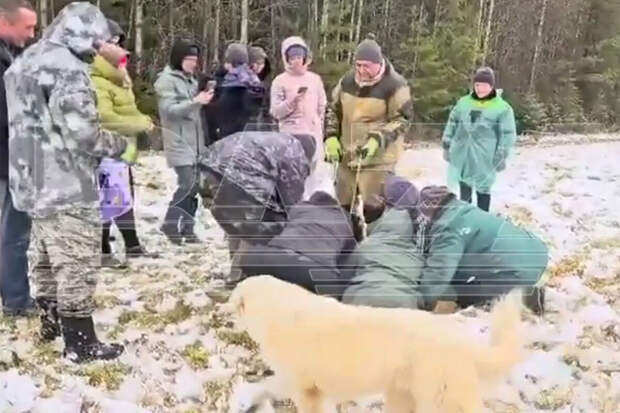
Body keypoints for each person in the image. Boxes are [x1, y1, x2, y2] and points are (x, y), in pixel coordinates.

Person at [4, 2, 132, 362]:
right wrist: (121, 145)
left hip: (28, 178)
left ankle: (50, 322)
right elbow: (83, 134)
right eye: (97, 41)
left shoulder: (23, 62)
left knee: (43, 256)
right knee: (76, 258)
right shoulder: (69, 69)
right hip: (66, 180)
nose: (97, 48)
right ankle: (81, 342)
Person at [415, 185, 548, 315]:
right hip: (535, 252)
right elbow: (457, 265)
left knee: (469, 296)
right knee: (463, 288)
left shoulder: (448, 228)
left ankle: (527, 297)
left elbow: (439, 271)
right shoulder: (463, 211)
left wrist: (419, 302)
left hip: (518, 268)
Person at [231, 165, 357, 297]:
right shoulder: (345, 219)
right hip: (313, 272)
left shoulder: (299, 207)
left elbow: (275, 231)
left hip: (267, 259)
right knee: (337, 291)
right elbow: (349, 261)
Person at [325, 35, 413, 223]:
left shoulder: (395, 85)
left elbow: (402, 120)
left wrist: (377, 139)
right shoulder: (347, 81)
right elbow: (333, 109)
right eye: (358, 65)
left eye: (366, 66)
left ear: (378, 63)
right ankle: (349, 245)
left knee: (374, 211)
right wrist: (330, 136)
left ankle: (373, 248)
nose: (361, 70)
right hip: (347, 157)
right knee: (343, 209)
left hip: (377, 160)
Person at [92, 19, 156, 266]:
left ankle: (133, 245)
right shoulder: (96, 78)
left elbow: (127, 109)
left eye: (119, 41)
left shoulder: (119, 75)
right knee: (107, 200)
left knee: (123, 198)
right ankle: (102, 249)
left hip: (122, 147)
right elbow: (104, 117)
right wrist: (139, 124)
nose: (116, 47)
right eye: (110, 42)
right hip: (104, 147)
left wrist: (141, 120)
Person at [198, 131, 316, 260]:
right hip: (237, 175)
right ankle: (247, 270)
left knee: (237, 220)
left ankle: (238, 266)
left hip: (206, 169)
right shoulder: (295, 151)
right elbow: (291, 198)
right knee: (261, 224)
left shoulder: (276, 141)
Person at [155, 39, 213, 245]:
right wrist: (195, 102)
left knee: (195, 186)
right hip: (179, 140)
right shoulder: (166, 80)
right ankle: (170, 223)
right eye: (188, 59)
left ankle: (187, 228)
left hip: (196, 141)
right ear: (178, 59)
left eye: (195, 59)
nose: (192, 63)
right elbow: (169, 110)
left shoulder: (191, 80)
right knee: (187, 184)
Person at [0, 0, 36, 317]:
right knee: (15, 232)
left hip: (11, 154)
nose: (32, 34)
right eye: (28, 27)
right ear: (5, 24)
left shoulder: (13, 57)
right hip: (8, 157)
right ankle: (16, 299)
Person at [341, 175, 425, 309]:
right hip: (404, 304)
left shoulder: (365, 247)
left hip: (362, 298)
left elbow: (343, 277)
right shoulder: (417, 257)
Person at [442, 67, 517, 212]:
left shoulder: (502, 108)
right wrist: (447, 142)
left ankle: (482, 218)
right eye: (477, 85)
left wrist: (501, 154)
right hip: (463, 153)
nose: (480, 89)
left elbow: (507, 133)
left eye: (483, 85)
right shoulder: (464, 103)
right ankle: (466, 215)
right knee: (464, 185)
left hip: (485, 156)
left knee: (483, 188)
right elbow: (453, 122)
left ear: (491, 86)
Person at [270, 36, 327, 165]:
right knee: (292, 174)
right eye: (292, 58)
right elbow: (275, 112)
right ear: (287, 59)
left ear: (305, 57)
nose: (296, 61)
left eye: (299, 57)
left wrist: (319, 126)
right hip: (290, 136)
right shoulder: (279, 81)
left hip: (314, 136)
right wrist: (291, 101)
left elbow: (322, 106)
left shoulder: (315, 79)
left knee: (314, 176)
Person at [205, 43, 265, 141]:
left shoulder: (240, 83)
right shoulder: (251, 81)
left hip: (234, 135)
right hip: (237, 135)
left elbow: (221, 109)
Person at [248, 45, 274, 130]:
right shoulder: (244, 79)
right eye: (257, 63)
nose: (260, 66)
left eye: (262, 63)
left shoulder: (265, 81)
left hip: (262, 123)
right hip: (249, 123)